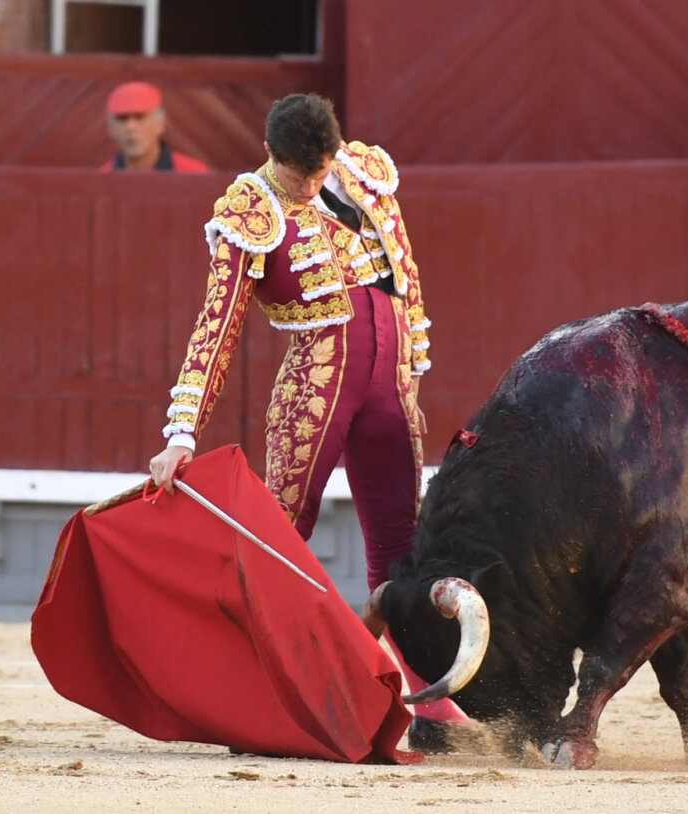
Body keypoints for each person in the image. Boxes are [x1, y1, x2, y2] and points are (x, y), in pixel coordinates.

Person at [147, 93, 465, 738]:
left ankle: (427, 701)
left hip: (390, 389)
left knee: (401, 548)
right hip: (315, 391)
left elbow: (405, 274)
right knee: (280, 540)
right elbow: (218, 327)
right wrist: (182, 432)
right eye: (302, 177)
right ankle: (250, 689)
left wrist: (408, 370)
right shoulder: (249, 209)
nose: (315, 184)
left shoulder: (364, 171)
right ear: (270, 154)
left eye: (322, 169)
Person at [102, 81, 209, 172]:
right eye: (122, 119)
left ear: (160, 123)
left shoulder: (193, 173)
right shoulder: (102, 179)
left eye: (140, 117)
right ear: (111, 127)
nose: (130, 127)